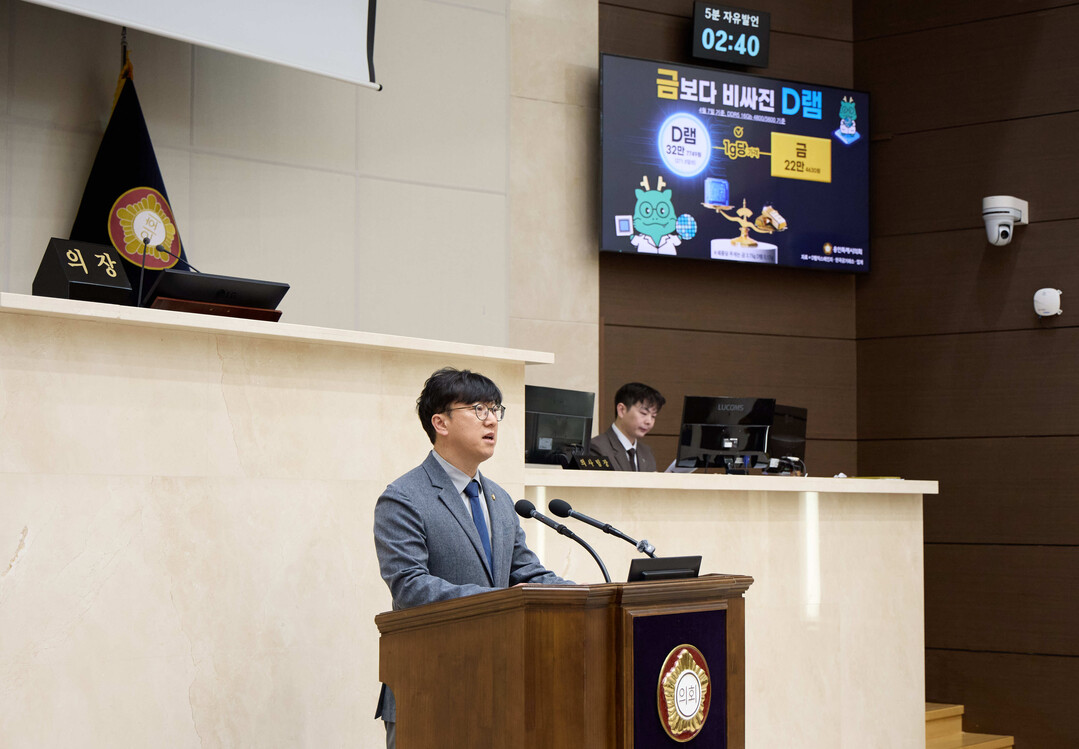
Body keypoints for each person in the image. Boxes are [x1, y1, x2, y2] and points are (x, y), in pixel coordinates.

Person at [373, 367, 572, 748]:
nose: (492, 419)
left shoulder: (499, 499)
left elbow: (526, 573)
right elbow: (410, 587)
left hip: (497, 687)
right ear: (440, 422)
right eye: (479, 409)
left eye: (496, 409)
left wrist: (588, 595)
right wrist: (501, 603)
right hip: (428, 689)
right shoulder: (403, 498)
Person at [588, 382, 666, 471]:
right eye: (643, 413)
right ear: (621, 410)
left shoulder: (646, 452)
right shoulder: (597, 448)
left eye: (653, 416)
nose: (649, 421)